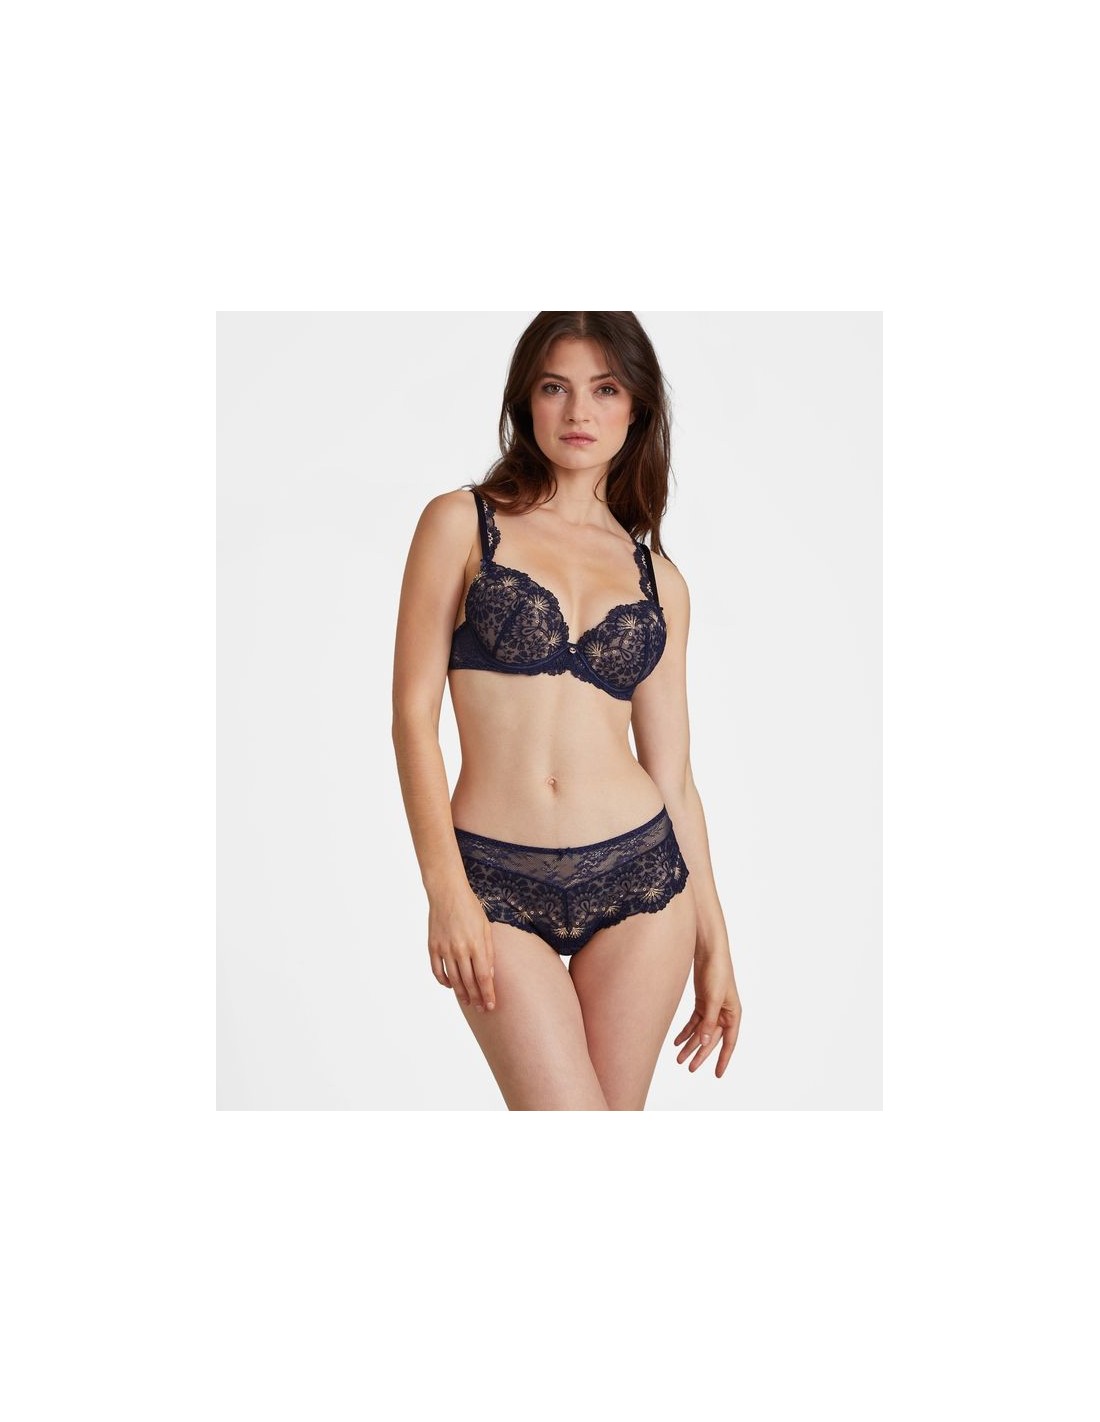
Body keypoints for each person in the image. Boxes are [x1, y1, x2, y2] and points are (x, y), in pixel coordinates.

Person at [391, 312, 741, 1110]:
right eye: (556, 387)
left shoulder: (660, 581)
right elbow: (412, 718)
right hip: (493, 881)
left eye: (604, 389)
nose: (579, 412)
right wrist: (445, 891)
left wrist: (714, 941)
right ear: (526, 401)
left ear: (636, 407)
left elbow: (674, 778)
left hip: (642, 879)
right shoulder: (461, 523)